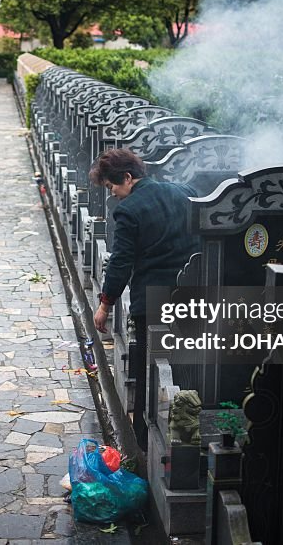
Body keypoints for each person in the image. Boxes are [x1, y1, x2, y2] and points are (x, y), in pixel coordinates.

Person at [90, 149, 199, 449]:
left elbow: (121, 262)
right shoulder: (185, 192)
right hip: (193, 294)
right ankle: (186, 434)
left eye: (113, 188)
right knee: (187, 365)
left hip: (153, 301)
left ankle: (143, 442)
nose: (114, 196)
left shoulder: (129, 211)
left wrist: (105, 304)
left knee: (148, 369)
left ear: (127, 177)